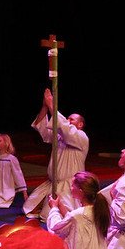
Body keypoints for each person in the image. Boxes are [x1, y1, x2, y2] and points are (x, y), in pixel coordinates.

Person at [22, 88, 89, 220]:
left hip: (68, 185)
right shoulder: (59, 136)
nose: (68, 121)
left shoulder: (81, 137)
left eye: (72, 119)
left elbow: (64, 127)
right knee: (29, 207)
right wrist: (45, 107)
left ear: (80, 124)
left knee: (55, 215)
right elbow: (41, 128)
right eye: (67, 119)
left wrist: (52, 104)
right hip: (53, 182)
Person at [46, 171, 110, 249]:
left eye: (72, 185)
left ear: (80, 191)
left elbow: (56, 228)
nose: (70, 188)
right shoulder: (95, 209)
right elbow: (72, 221)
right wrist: (60, 206)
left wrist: (53, 209)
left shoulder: (79, 215)